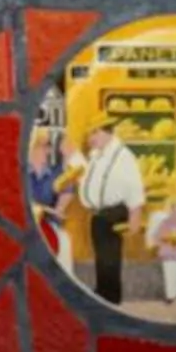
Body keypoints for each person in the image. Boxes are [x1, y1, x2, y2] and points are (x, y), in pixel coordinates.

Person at [74, 124, 146, 307]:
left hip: (113, 211)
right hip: (99, 214)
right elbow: (92, 179)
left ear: (106, 133)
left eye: (93, 133)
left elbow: (134, 185)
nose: (90, 139)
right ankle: (102, 291)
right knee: (102, 255)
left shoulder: (123, 156)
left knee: (110, 256)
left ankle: (111, 297)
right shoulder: (97, 155)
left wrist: (135, 214)